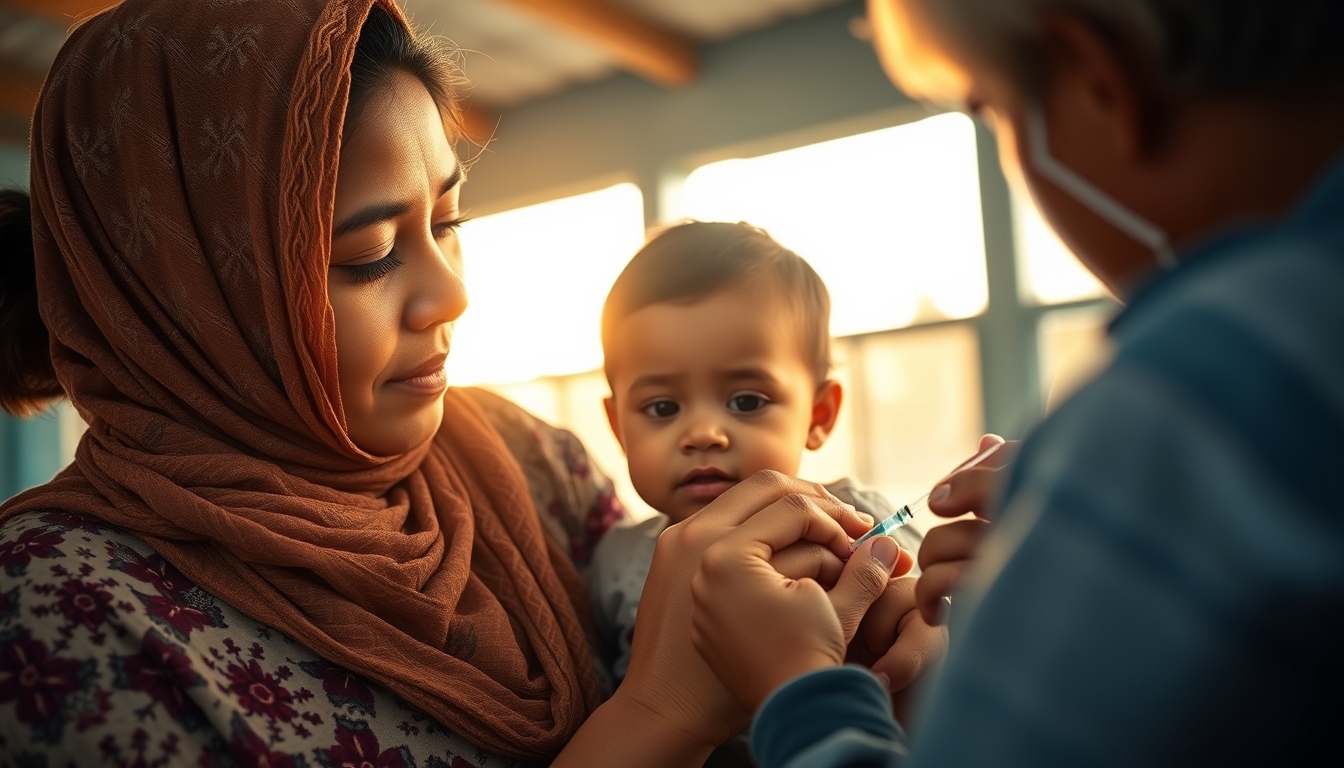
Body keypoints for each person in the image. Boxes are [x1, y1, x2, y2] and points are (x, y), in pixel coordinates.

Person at [0, 0, 930, 765]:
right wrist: (662, 715)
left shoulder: (521, 460)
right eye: (367, 254)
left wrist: (897, 643)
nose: (450, 294)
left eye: (447, 220)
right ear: (185, 292)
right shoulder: (56, 610)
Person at [689, 0, 1344, 765]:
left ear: (1101, 79)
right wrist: (1102, 576)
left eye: (991, 111)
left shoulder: (1196, 393)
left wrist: (795, 687)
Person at [592, 221, 932, 685]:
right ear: (619, 428)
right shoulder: (616, 562)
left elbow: (932, 630)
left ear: (818, 414)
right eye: (663, 407)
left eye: (746, 401)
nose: (705, 433)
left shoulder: (858, 524)